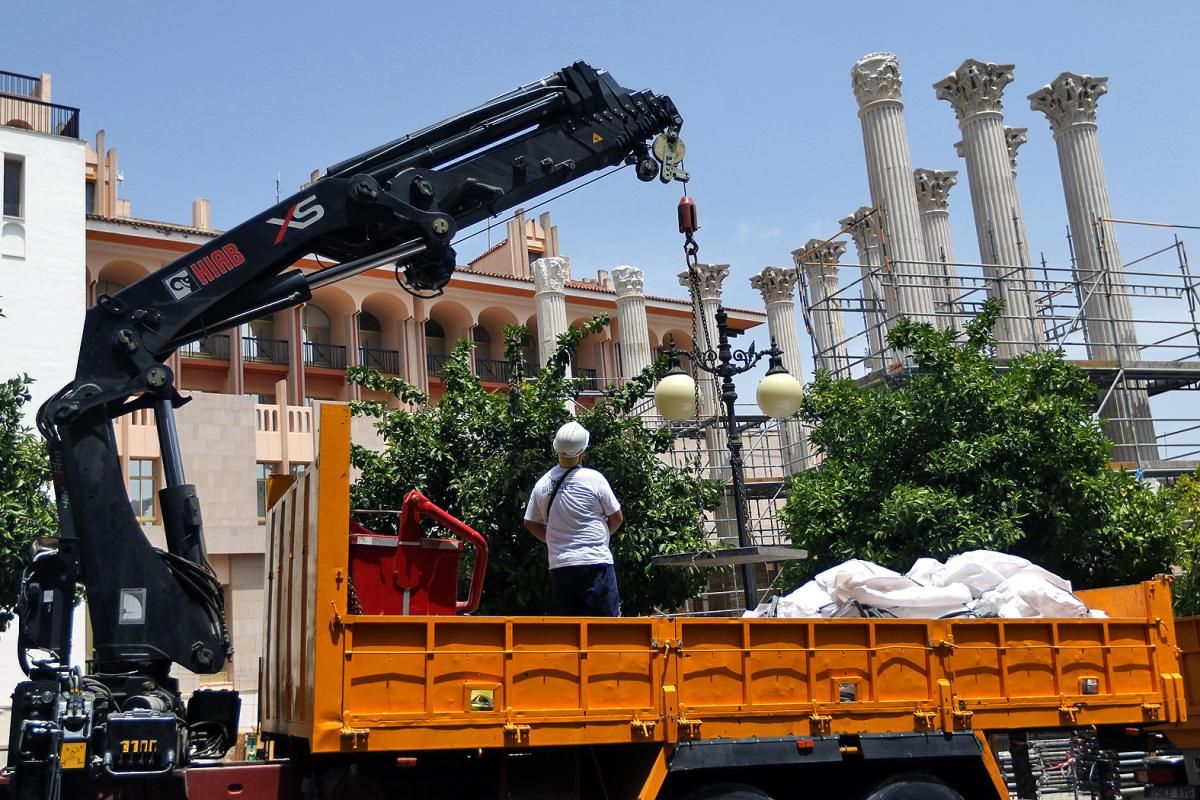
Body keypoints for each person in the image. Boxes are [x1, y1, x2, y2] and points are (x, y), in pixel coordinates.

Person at [524, 421, 624, 616]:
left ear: (556, 448)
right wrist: (600, 536)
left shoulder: (543, 483)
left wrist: (552, 539)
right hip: (595, 562)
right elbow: (617, 518)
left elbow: (530, 522)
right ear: (583, 450)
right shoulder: (594, 479)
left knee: (569, 632)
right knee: (603, 630)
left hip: (561, 565)